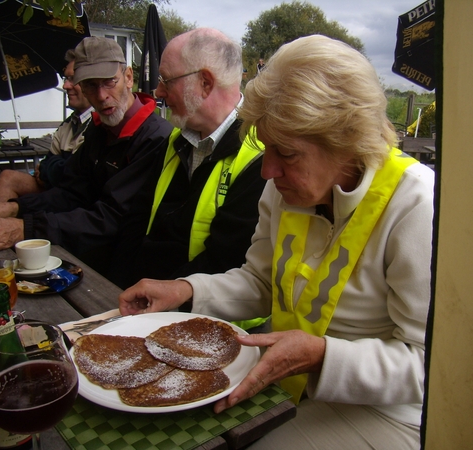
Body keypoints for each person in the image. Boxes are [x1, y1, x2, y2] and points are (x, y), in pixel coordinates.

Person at [119, 35, 434, 449]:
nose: (267, 171)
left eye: (286, 153)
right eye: (266, 148)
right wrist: (185, 289)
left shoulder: (417, 205)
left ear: (347, 142)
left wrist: (323, 356)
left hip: (387, 412)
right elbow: (262, 282)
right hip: (290, 384)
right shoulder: (285, 188)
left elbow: (429, 366)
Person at [0, 37, 173, 273]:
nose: (101, 95)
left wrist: (25, 227)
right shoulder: (99, 129)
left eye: (109, 82)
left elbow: (111, 218)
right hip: (86, 258)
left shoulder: (155, 138)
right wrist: (14, 208)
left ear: (129, 77)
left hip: (121, 274)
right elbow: (71, 193)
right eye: (91, 85)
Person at [107, 28, 266, 292]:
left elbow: (225, 261)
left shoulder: (260, 155)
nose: (157, 92)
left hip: (206, 318)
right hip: (145, 300)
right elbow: (135, 223)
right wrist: (115, 289)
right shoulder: (177, 138)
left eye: (166, 80)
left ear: (205, 83)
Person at [0, 49, 94, 202]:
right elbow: (46, 165)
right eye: (65, 78)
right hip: (57, 189)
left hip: (76, 200)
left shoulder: (101, 124)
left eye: (72, 79)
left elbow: (74, 176)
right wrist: (51, 170)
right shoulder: (68, 124)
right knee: (7, 177)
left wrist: (49, 170)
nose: (65, 86)